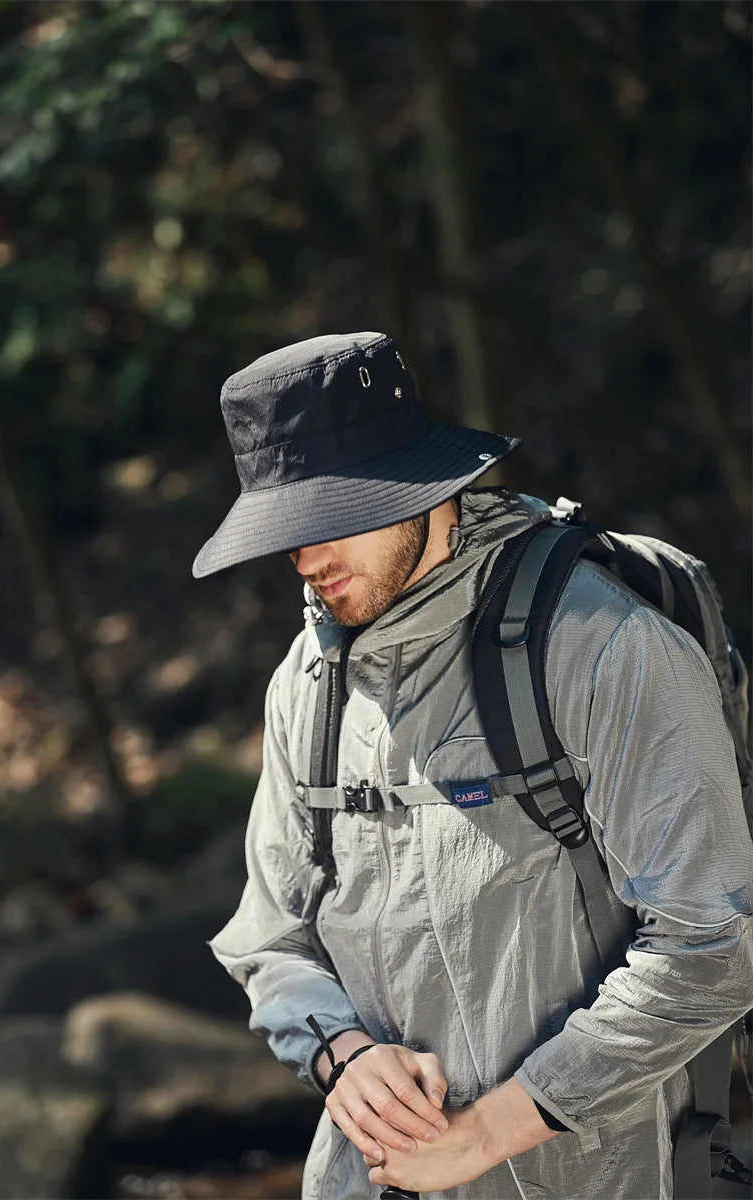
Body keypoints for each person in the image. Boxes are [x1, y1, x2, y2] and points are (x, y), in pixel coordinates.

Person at [191, 331, 753, 1200]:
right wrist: (342, 1054)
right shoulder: (307, 683)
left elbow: (715, 944)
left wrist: (487, 1132)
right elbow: (269, 939)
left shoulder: (604, 647)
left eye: (331, 518)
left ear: (421, 487)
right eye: (288, 531)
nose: (307, 559)